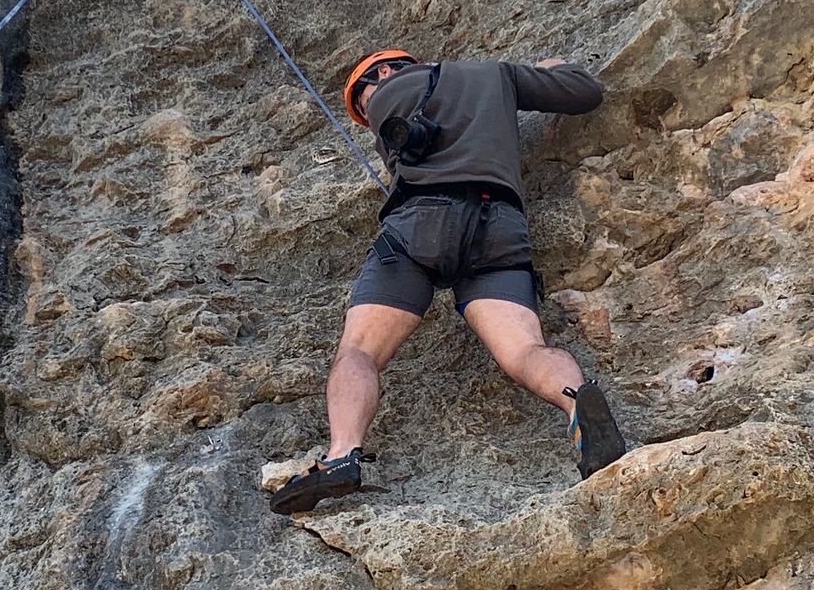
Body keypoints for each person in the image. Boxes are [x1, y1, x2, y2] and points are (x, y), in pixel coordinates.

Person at [269, 48, 628, 514]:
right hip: (498, 224)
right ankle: (579, 406)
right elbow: (585, 92)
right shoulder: (494, 75)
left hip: (420, 222)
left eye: (363, 96)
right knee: (524, 352)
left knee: (360, 351)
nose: (369, 107)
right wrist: (550, 71)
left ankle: (341, 455)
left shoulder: (386, 99)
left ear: (379, 74)